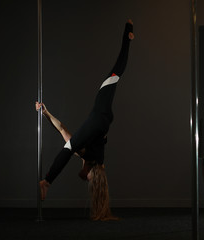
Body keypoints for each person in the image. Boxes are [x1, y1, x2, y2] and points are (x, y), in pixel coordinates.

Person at [36, 19, 134, 221]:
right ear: (93, 175)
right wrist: (47, 180)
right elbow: (73, 151)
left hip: (104, 120)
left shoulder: (89, 156)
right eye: (89, 179)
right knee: (69, 148)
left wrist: (46, 113)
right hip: (99, 116)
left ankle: (128, 37)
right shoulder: (94, 159)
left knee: (115, 75)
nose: (86, 178)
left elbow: (62, 129)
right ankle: (47, 181)